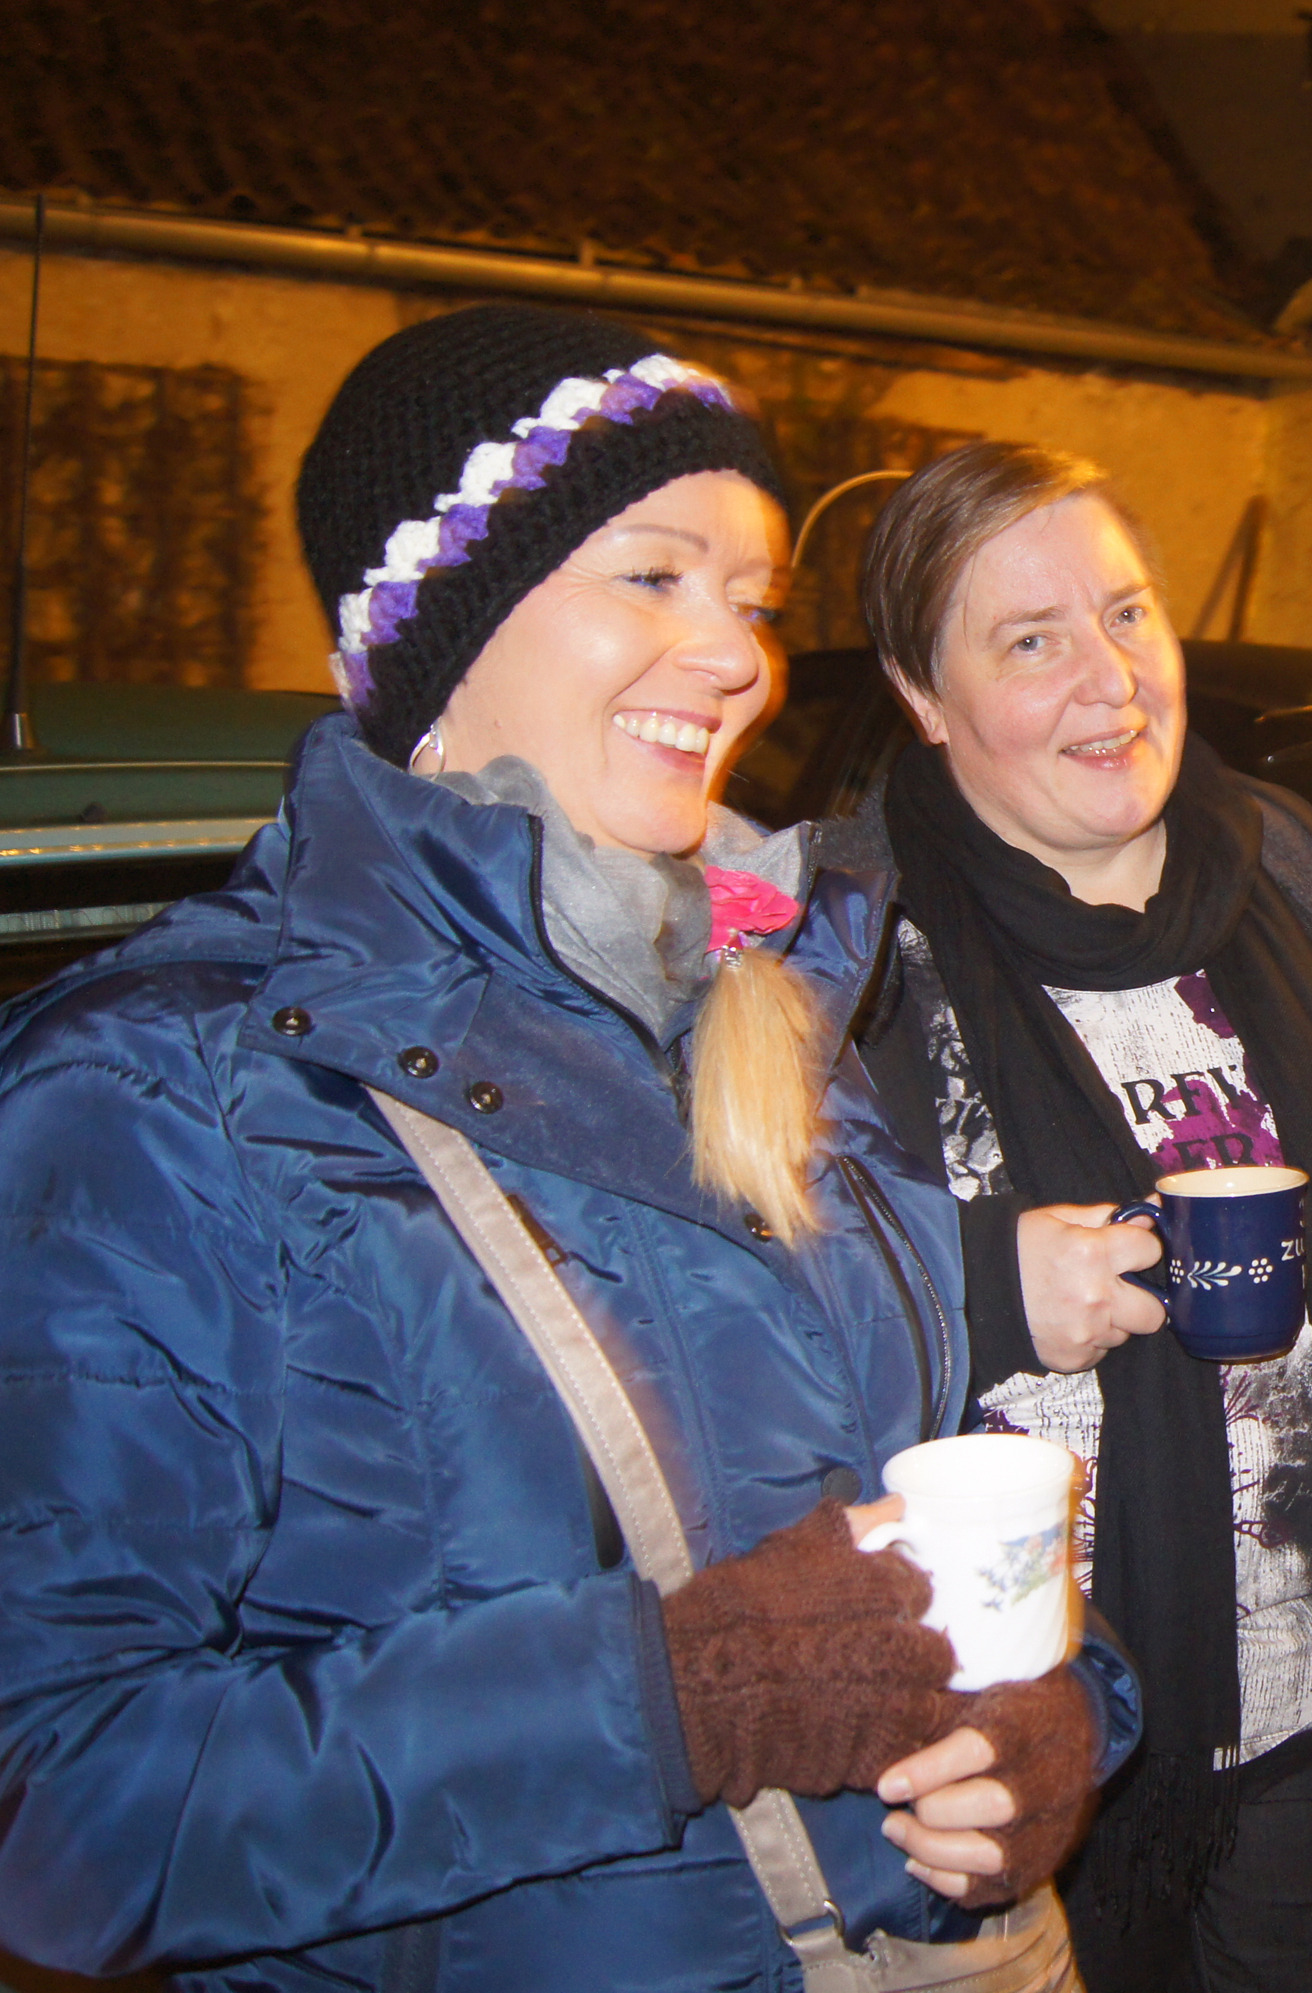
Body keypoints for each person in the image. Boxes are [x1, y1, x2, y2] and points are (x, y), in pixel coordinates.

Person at [0, 306, 1135, 1990]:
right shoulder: (168, 1096)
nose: (737, 657)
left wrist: (1054, 1705)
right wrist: (671, 1697)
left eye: (751, 600)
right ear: (434, 627)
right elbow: (58, 1810)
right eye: (654, 576)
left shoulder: (769, 1003)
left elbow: (912, 1495)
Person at [842, 442, 1312, 1992]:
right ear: (923, 695)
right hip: (1030, 1762)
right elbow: (746, 1321)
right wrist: (981, 1287)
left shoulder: (1296, 878)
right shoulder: (851, 955)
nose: (1111, 678)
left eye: (1128, 611)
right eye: (1031, 640)